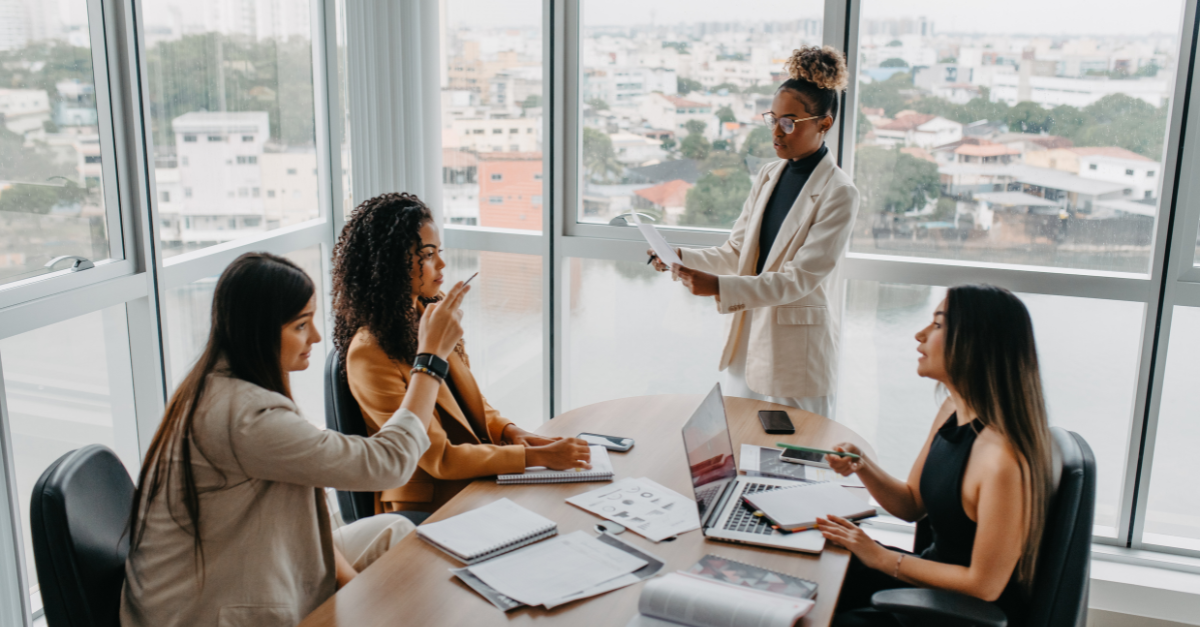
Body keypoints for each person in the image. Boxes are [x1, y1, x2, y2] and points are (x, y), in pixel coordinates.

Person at [121, 252, 470, 627]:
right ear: (260, 331)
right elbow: (389, 463)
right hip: (203, 610)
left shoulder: (225, 383)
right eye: (302, 325)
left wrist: (356, 589)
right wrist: (430, 360)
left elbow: (305, 513)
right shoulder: (245, 418)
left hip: (246, 558)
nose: (316, 337)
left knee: (395, 530)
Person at [332, 192, 590, 514]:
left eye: (439, 251)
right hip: (425, 506)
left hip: (469, 479)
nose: (441, 264)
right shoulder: (368, 354)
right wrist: (534, 457)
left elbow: (468, 401)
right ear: (388, 264)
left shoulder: (428, 311)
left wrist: (512, 432)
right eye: (426, 255)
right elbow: (440, 459)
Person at [815, 285, 1054, 627]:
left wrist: (881, 558)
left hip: (957, 613)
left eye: (938, 325)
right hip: (927, 582)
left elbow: (984, 586)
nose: (920, 334)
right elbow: (911, 504)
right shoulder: (952, 409)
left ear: (975, 343)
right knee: (810, 569)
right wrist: (862, 466)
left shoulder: (1002, 461)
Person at [649, 45, 859, 417]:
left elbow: (798, 279)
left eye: (790, 122)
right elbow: (736, 252)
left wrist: (717, 286)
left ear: (824, 124)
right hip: (747, 343)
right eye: (773, 119)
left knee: (796, 462)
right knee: (739, 446)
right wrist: (680, 257)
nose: (777, 132)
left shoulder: (839, 192)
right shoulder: (769, 174)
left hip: (798, 355)